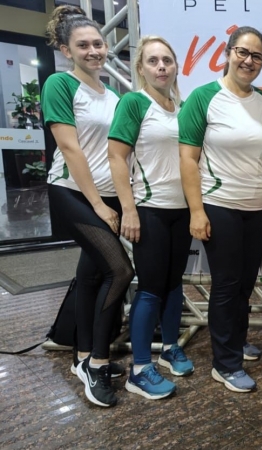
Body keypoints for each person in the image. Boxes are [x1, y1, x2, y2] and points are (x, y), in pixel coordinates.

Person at [43, 5, 134, 408]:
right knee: (120, 269)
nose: (94, 50)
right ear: (66, 50)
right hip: (72, 193)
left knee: (93, 274)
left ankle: (81, 355)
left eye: (98, 43)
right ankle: (97, 362)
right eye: (84, 45)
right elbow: (69, 147)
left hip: (105, 195)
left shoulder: (111, 94)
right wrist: (98, 204)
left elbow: (115, 153)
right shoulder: (60, 85)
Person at [178, 26, 262, 393]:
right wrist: (196, 211)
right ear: (228, 53)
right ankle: (225, 363)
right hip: (220, 205)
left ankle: (236, 339)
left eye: (256, 56)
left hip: (257, 206)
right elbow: (188, 159)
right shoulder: (203, 98)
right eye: (242, 52)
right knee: (226, 285)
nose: (248, 61)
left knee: (246, 284)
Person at [108, 36, 194, 400]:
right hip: (150, 209)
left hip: (182, 208)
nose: (161, 67)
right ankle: (140, 368)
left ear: (176, 66)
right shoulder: (134, 102)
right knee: (151, 288)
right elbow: (116, 157)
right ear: (141, 68)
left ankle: (171, 346)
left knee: (175, 285)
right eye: (153, 61)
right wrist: (128, 208)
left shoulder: (182, 106)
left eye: (167, 61)